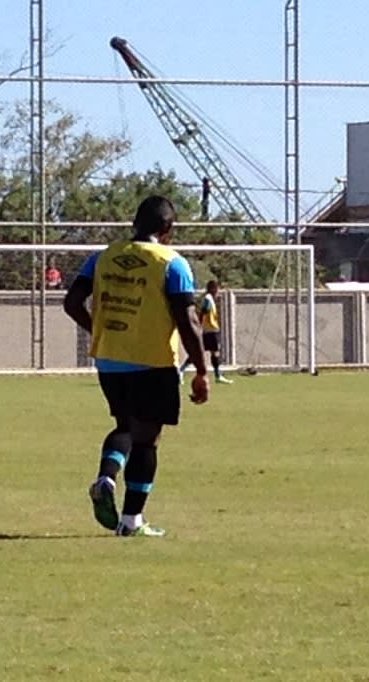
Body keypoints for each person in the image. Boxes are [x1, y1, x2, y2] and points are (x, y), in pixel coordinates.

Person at [64, 195, 209, 538]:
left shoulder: (102, 257)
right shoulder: (171, 263)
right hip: (152, 361)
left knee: (125, 426)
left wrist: (98, 329)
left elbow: (71, 302)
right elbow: (188, 320)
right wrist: (202, 370)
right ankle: (131, 521)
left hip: (110, 361)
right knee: (147, 440)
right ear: (168, 228)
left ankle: (106, 478)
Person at [179, 280, 233, 384]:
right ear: (213, 289)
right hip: (210, 330)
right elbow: (204, 310)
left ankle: (217, 375)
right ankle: (181, 371)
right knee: (210, 352)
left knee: (205, 352)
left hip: (209, 329)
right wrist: (199, 324)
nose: (218, 291)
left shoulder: (209, 298)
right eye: (217, 289)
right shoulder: (208, 298)